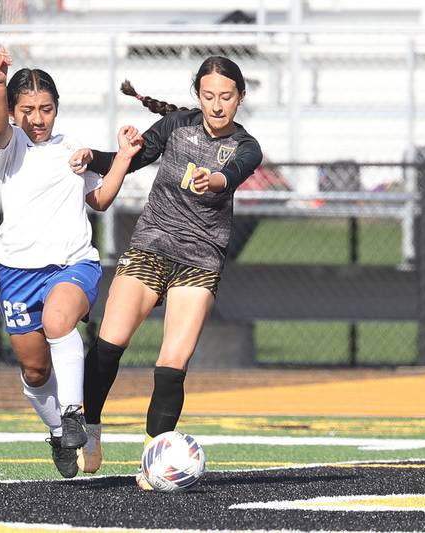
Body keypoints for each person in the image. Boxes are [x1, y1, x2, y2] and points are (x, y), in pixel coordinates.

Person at [69, 56, 263, 489]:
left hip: (200, 260)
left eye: (226, 97)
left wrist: (214, 180)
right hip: (152, 247)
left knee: (172, 362)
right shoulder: (176, 125)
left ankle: (153, 461)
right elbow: (133, 159)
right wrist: (93, 157)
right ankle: (92, 431)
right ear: (198, 95)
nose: (217, 105)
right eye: (209, 96)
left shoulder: (247, 146)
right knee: (107, 345)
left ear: (240, 98)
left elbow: (230, 174)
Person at [0, 47, 142, 479]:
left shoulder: (74, 149)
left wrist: (123, 157)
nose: (39, 118)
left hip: (73, 264)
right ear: (16, 113)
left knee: (59, 320)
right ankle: (59, 430)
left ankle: (75, 413)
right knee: (35, 371)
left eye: (47, 109)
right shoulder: (10, 146)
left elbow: (101, 199)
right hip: (16, 272)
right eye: (29, 110)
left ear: (57, 108)